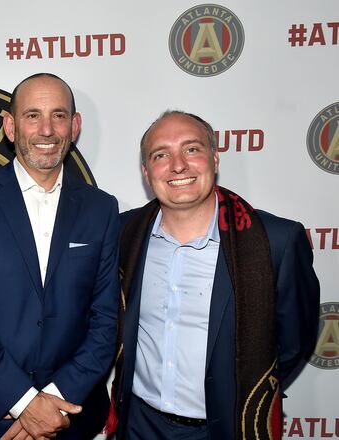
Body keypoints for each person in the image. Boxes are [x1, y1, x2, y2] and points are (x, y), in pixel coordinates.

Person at [108, 111, 320, 439]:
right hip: (138, 425)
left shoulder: (275, 241)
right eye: (161, 155)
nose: (178, 165)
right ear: (146, 172)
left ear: (215, 158)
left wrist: (245, 389)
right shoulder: (124, 234)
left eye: (192, 149)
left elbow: (295, 341)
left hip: (229, 428)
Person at [0, 73, 120, 439]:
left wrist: (52, 404)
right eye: (32, 116)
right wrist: (24, 403)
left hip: (71, 417)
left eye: (58, 115)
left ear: (74, 126)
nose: (46, 129)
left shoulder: (101, 209)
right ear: (10, 126)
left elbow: (105, 322)